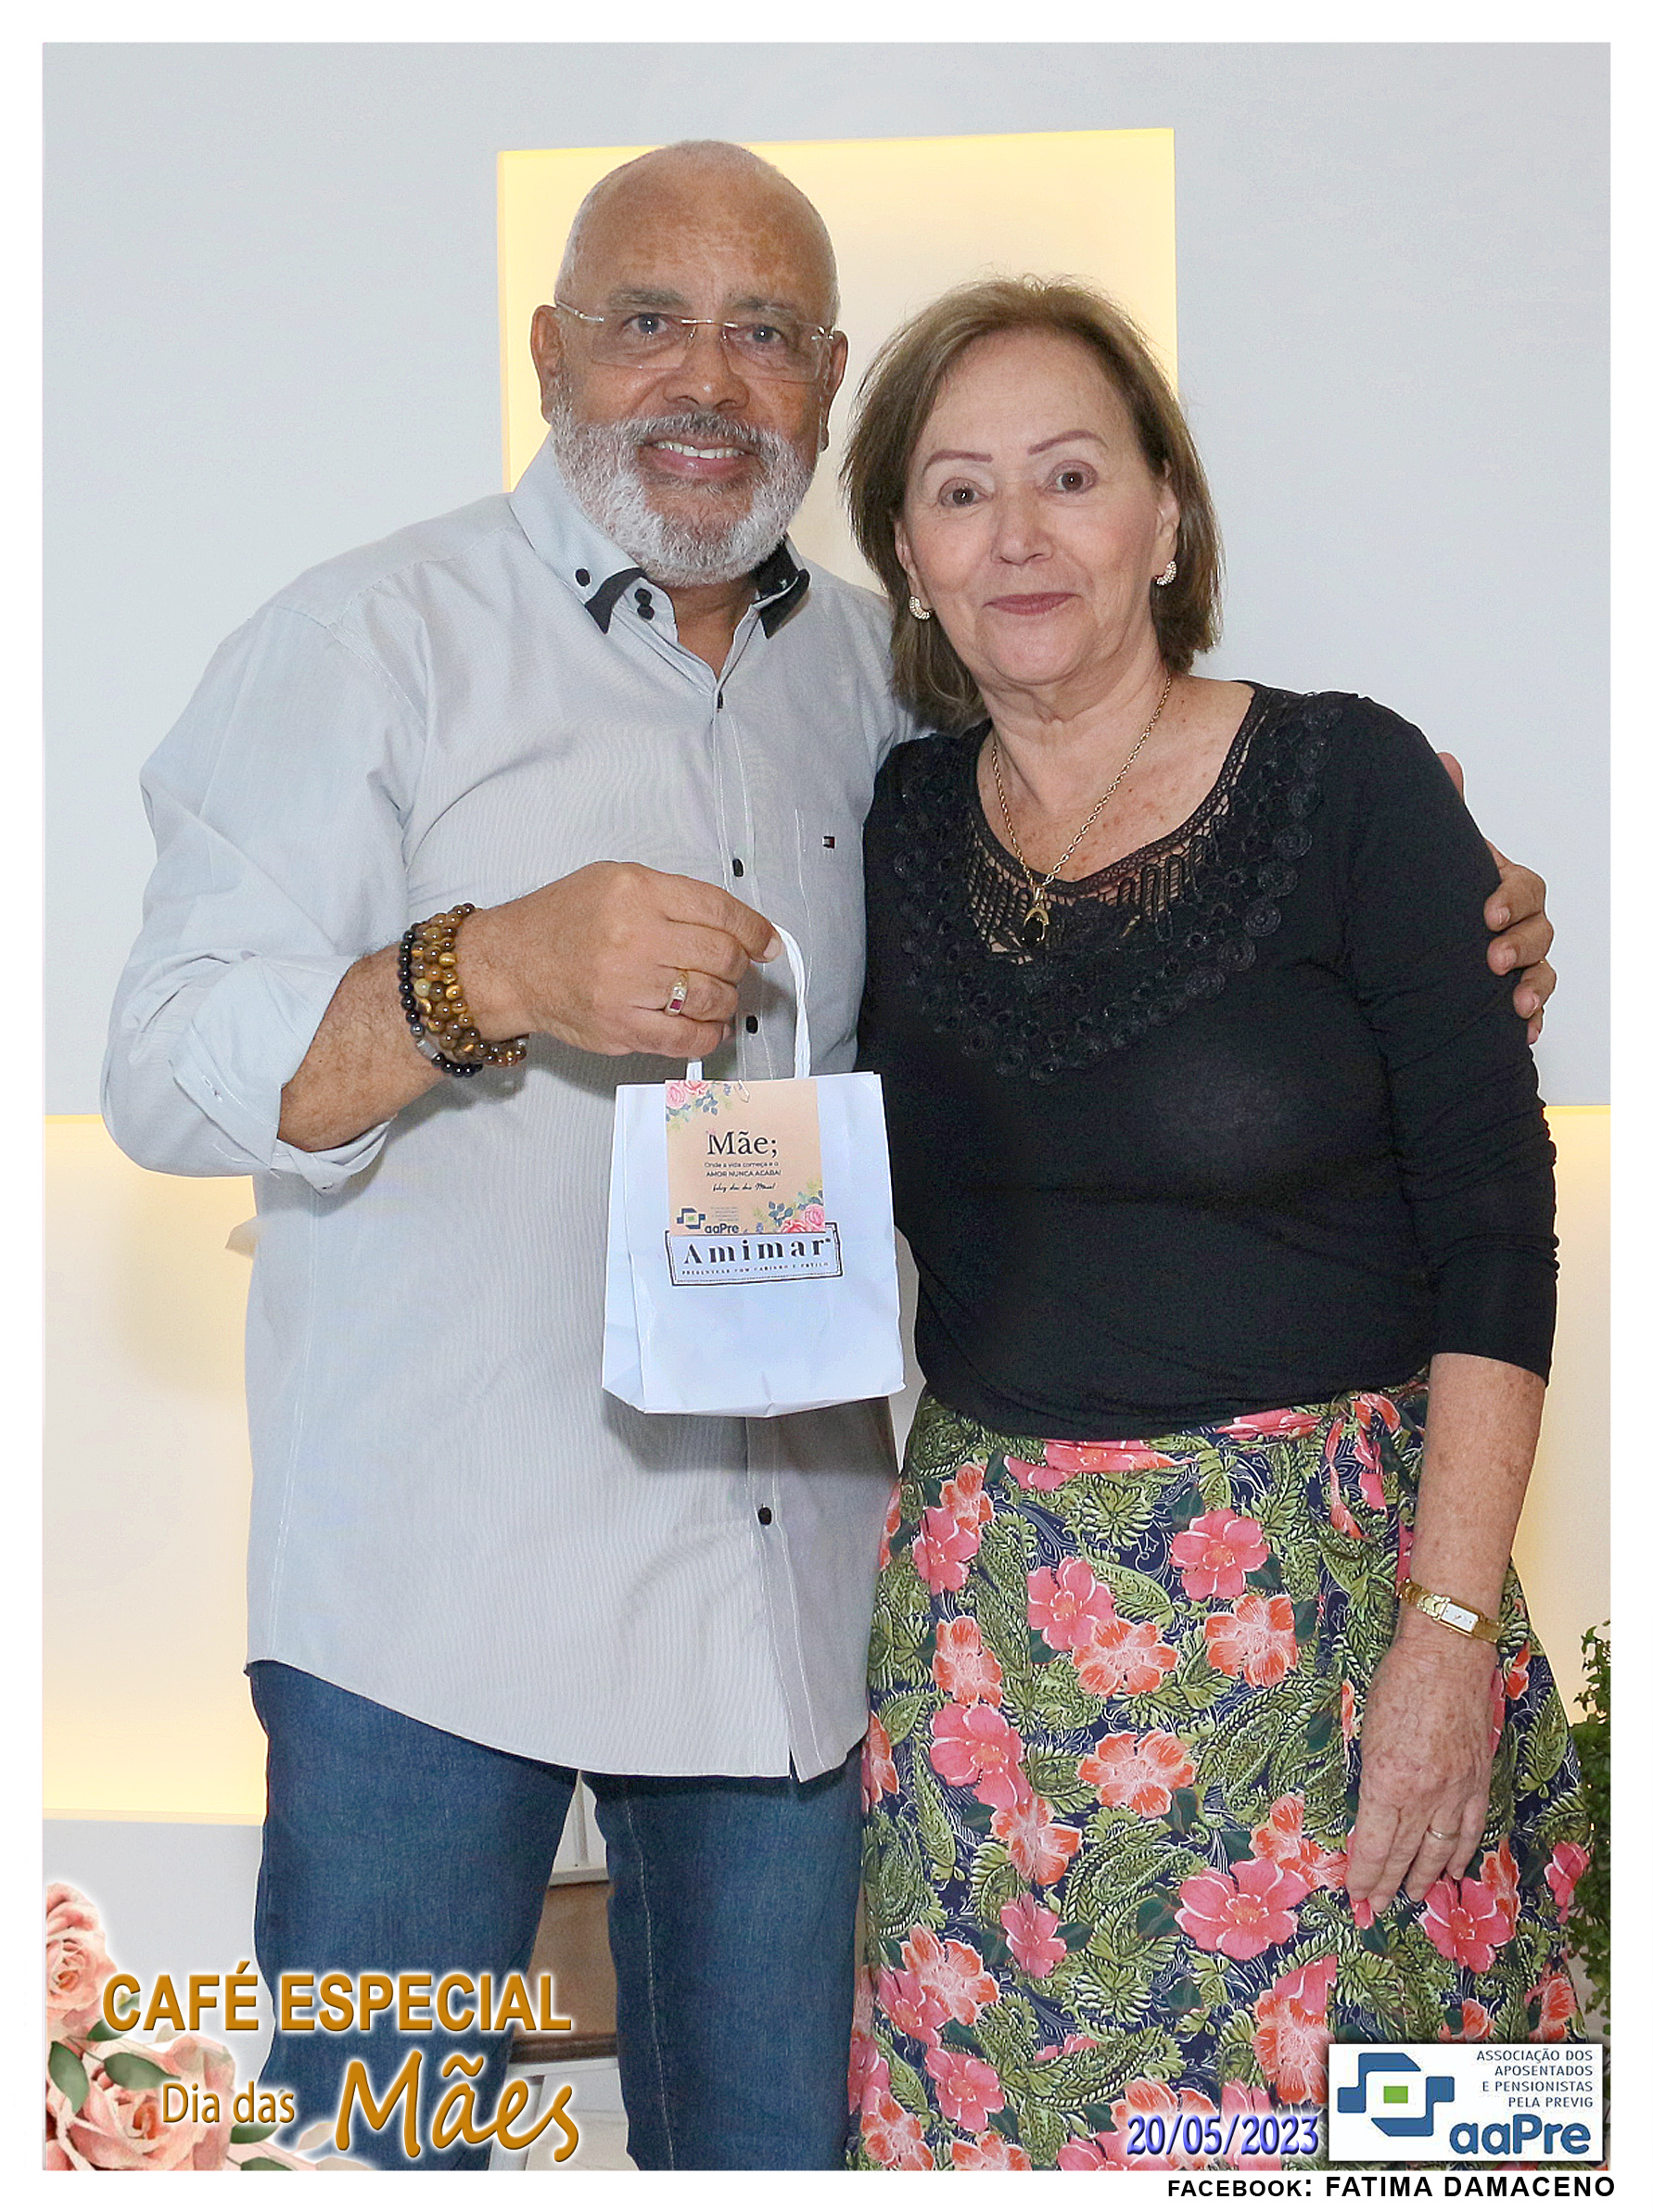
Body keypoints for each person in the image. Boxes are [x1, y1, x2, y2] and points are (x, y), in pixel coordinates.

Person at [100, 142, 1554, 2173]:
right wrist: (479, 968)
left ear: (829, 381)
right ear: (548, 351)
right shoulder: (367, 639)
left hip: (795, 1629)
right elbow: (161, 1070)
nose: (708, 377)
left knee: (800, 2164)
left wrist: (1438, 904)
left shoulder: (884, 689)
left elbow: (1226, 959)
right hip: (433, 1625)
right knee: (375, 2159)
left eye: (766, 331)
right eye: (649, 321)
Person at [840, 276, 1589, 2173]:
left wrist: (1446, 1634)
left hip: (1336, 1629)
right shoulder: (891, 824)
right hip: (991, 1666)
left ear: (1166, 516)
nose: (1018, 534)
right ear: (906, 559)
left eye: (1070, 474)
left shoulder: (1353, 785)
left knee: (1396, 2154)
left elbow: (1496, 1226)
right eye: (958, 491)